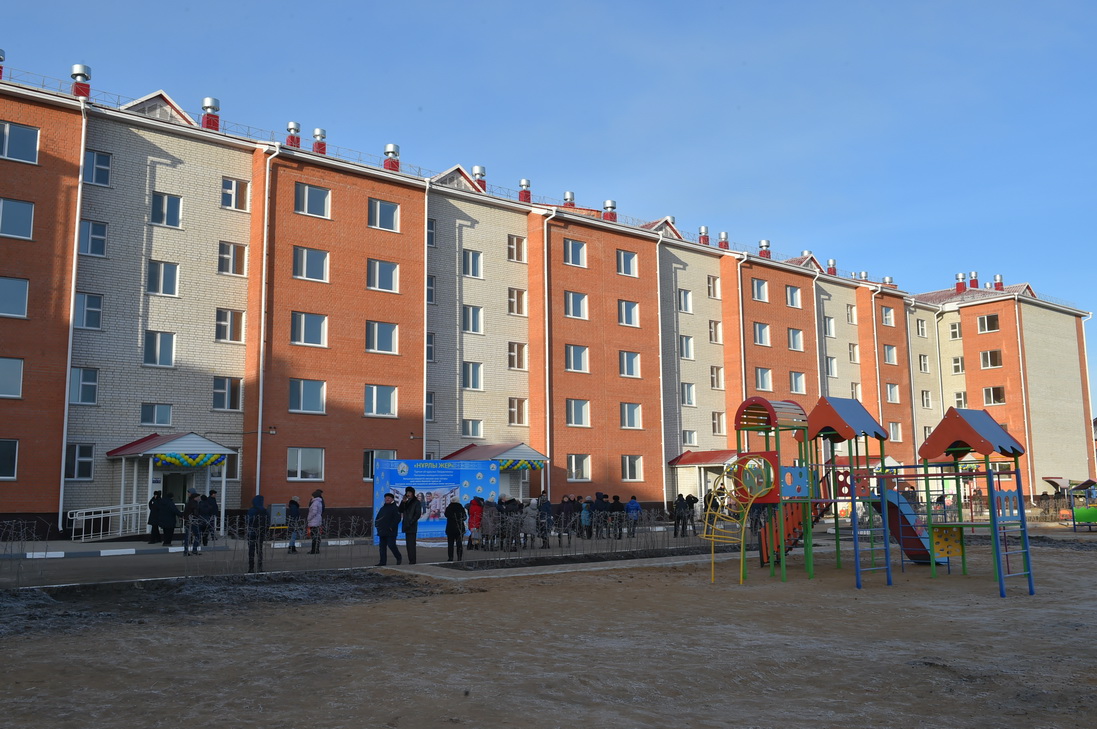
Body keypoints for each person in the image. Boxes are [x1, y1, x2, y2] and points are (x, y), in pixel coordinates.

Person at [374, 492, 402, 566]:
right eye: (386, 498)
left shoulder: (395, 508)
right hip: (382, 531)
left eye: (389, 498)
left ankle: (398, 557)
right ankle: (382, 562)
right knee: (382, 547)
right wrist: (377, 525)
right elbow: (378, 518)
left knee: (391, 545)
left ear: (392, 499)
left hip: (391, 531)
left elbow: (397, 519)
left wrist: (391, 527)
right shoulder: (382, 508)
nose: (387, 499)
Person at [246, 494, 270, 573]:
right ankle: (260, 567)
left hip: (252, 532)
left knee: (251, 550)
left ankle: (251, 568)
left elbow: (248, 521)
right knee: (259, 550)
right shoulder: (264, 510)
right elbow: (268, 521)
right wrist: (265, 531)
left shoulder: (251, 510)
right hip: (261, 532)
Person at [399, 486, 422, 564]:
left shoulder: (416, 502)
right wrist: (403, 502)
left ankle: (412, 561)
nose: (408, 494)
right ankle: (411, 560)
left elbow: (417, 514)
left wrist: (411, 522)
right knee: (408, 544)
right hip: (406, 525)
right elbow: (400, 510)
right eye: (407, 492)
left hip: (412, 525)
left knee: (411, 544)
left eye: (409, 492)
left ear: (413, 493)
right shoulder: (406, 501)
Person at [182, 489, 202, 556]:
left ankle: (186, 551)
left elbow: (185, 512)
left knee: (187, 536)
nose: (199, 498)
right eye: (198, 497)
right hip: (193, 521)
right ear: (195, 497)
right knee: (197, 535)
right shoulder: (194, 503)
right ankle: (194, 549)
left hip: (187, 521)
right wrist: (198, 517)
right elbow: (195, 513)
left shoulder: (188, 502)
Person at [307, 489, 324, 554]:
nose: (311, 497)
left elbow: (313, 512)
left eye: (312, 496)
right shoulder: (319, 502)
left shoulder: (315, 503)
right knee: (317, 536)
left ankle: (314, 550)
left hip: (314, 522)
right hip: (318, 521)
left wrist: (309, 518)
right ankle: (316, 549)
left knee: (314, 536)